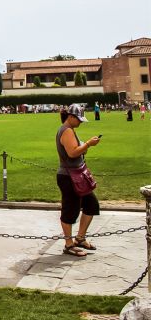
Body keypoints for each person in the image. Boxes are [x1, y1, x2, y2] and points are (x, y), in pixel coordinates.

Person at [56, 104, 101, 257]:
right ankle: (69, 244)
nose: (81, 122)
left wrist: (84, 146)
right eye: (79, 119)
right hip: (69, 176)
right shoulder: (66, 130)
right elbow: (73, 152)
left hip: (76, 175)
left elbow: (76, 149)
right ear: (71, 117)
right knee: (70, 210)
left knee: (91, 205)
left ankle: (80, 238)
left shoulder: (70, 130)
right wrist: (88, 144)